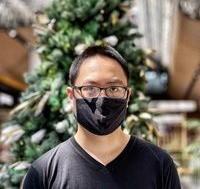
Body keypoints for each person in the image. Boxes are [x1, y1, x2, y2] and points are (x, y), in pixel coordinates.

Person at [22, 45, 181, 189]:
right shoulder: (44, 172)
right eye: (90, 88)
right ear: (71, 96)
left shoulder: (159, 164)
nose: (102, 98)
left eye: (114, 88)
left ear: (127, 96)